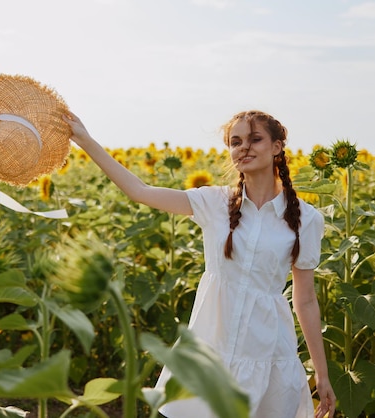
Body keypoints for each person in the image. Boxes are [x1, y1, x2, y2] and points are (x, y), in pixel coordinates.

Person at [63, 109, 336, 418]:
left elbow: (306, 299)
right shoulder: (214, 203)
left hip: (268, 353)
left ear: (277, 147)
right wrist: (85, 140)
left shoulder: (307, 219)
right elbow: (139, 192)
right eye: (236, 142)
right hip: (211, 344)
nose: (243, 148)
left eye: (255, 139)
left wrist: (322, 374)